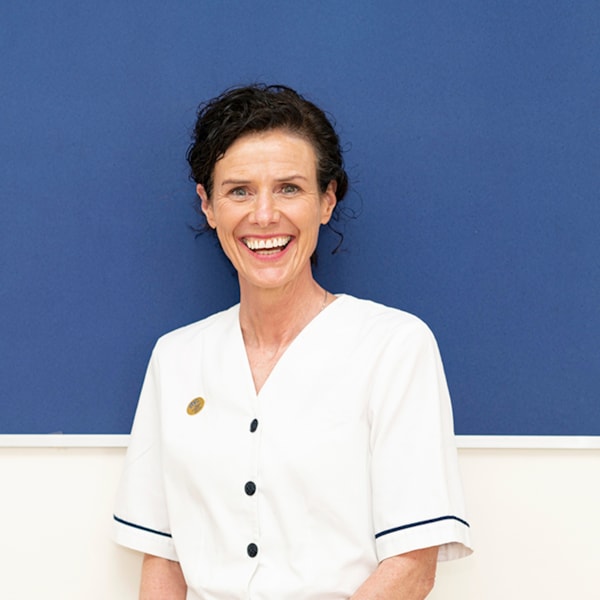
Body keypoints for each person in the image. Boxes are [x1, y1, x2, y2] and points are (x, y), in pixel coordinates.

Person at [113, 84, 472, 599]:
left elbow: (412, 565)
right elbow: (163, 560)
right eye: (239, 190)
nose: (263, 216)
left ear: (327, 200)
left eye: (288, 188)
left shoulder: (394, 346)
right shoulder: (175, 358)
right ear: (208, 205)